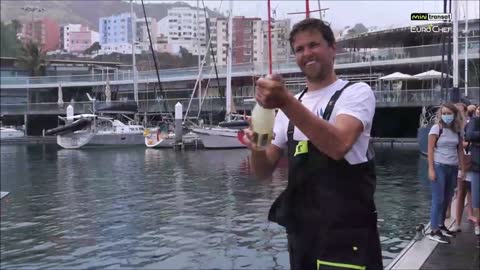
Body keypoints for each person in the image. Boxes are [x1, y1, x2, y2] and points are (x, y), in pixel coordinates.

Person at [242, 18, 382, 269]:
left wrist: (284, 101)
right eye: (299, 49)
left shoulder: (356, 92)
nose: (307, 53)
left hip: (347, 237)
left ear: (332, 48)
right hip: (302, 237)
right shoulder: (289, 106)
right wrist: (255, 147)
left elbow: (338, 145)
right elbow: (263, 172)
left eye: (313, 45)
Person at [427, 103, 465, 243]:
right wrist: (431, 169)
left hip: (453, 167)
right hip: (439, 166)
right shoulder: (436, 128)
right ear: (440, 114)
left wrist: (462, 168)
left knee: (448, 198)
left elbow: (460, 150)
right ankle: (434, 229)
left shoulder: (457, 130)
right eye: (444, 113)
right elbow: (430, 150)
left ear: (455, 114)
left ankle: (442, 225)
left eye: (449, 113)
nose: (447, 116)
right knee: (438, 199)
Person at [452, 103, 476, 232]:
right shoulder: (455, 127)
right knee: (460, 192)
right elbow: (460, 144)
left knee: (472, 192)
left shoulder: (471, 124)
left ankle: (471, 215)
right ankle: (457, 222)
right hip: (462, 164)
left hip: (473, 163)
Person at [465, 105, 480, 248]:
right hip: (476, 167)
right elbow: (469, 136)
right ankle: (478, 225)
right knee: (476, 200)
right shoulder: (474, 122)